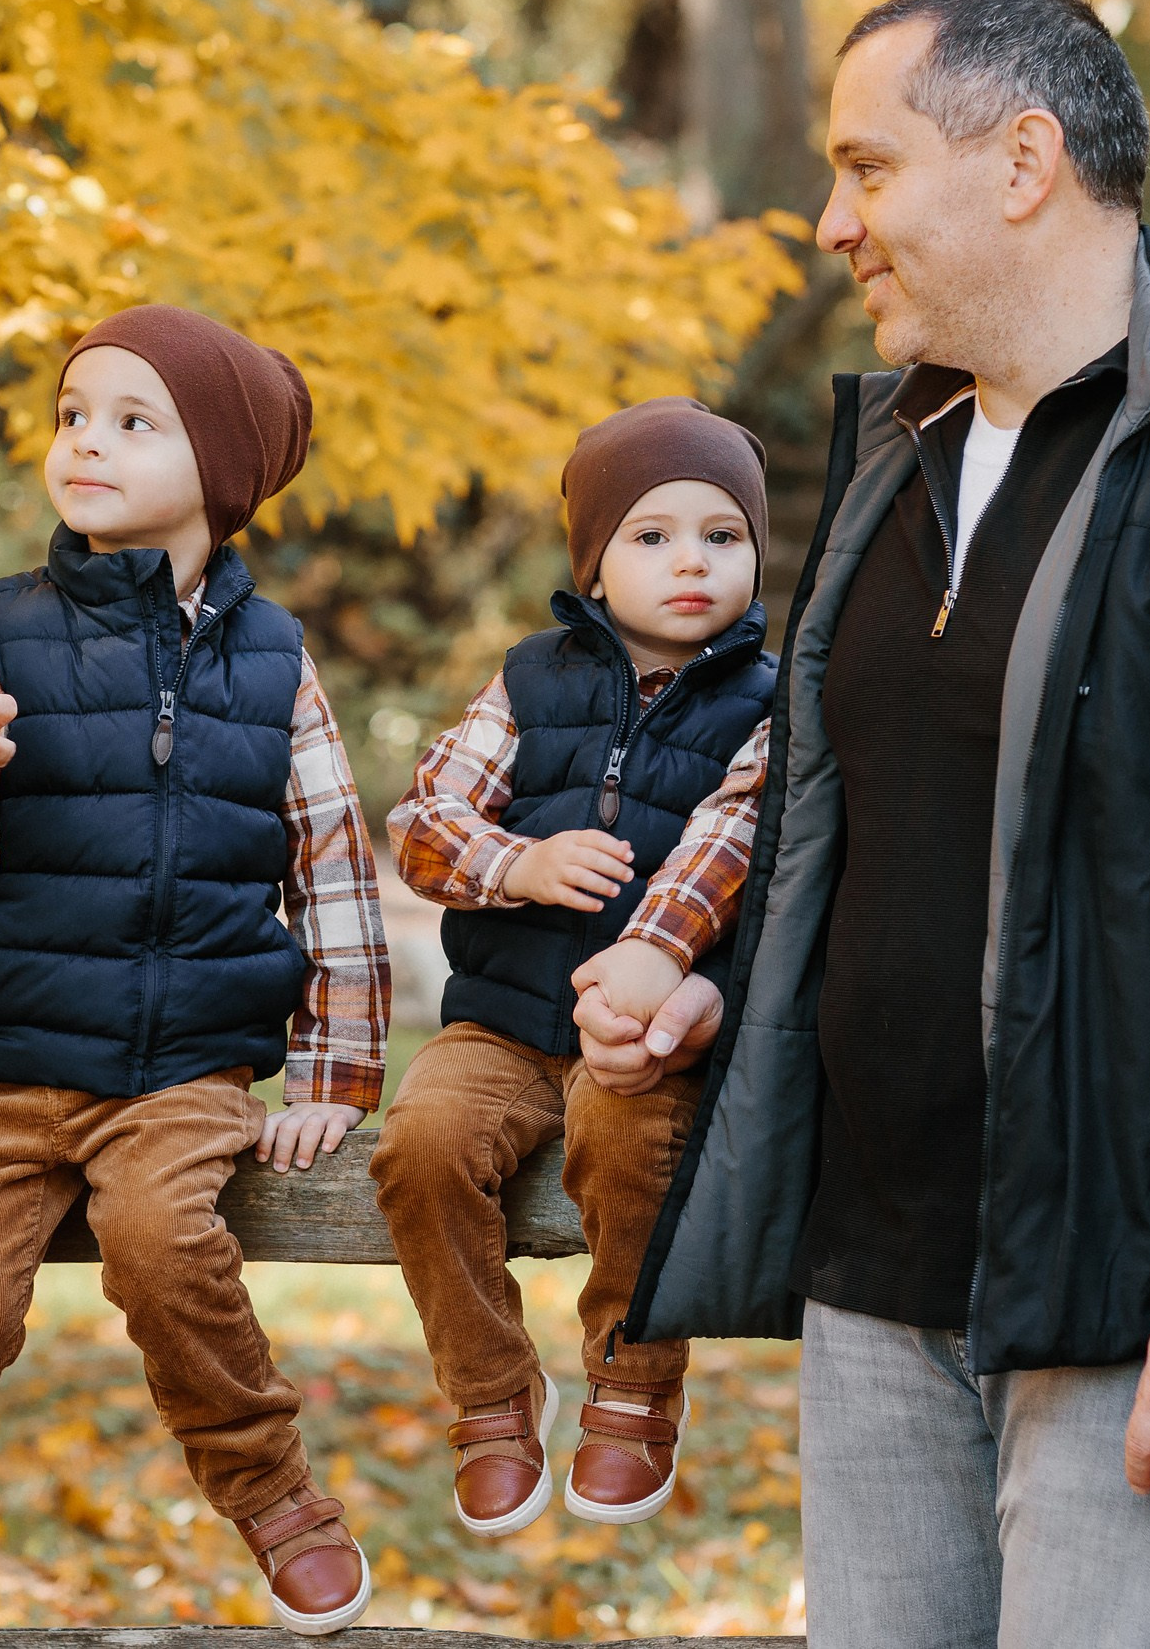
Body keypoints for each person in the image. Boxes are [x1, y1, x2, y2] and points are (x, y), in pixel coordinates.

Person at [581, 0, 1150, 1649]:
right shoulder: (903, 450)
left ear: (1022, 161)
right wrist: (746, 979)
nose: (828, 220)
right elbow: (863, 801)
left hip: (1144, 1300)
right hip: (876, 1278)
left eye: (865, 169)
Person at [0, 305, 391, 1636]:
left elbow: (332, 864)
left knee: (171, 1249)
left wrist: (338, 1068)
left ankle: (274, 1490)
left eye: (130, 419)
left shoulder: (276, 661)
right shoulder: (0, 635)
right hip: (0, 1061)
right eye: (71, 415)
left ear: (218, 472)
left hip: (181, 1068)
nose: (84, 442)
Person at [370, 398, 774, 1539]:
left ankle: (634, 1379)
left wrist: (654, 951)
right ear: (594, 565)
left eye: (721, 535)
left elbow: (730, 845)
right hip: (499, 1019)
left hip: (646, 1040)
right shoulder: (528, 682)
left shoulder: (771, 701)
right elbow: (424, 821)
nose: (690, 560)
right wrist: (523, 861)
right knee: (420, 1148)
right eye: (650, 536)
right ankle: (492, 1394)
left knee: (631, 1146)